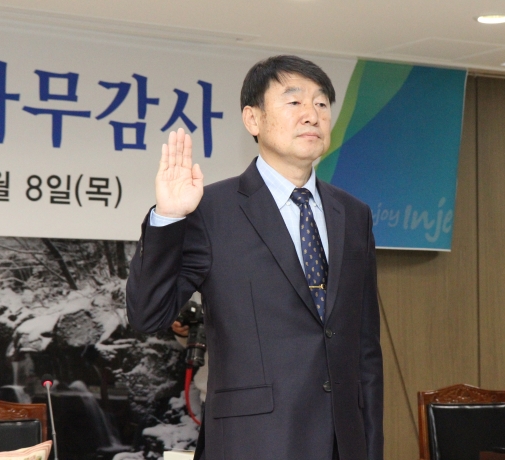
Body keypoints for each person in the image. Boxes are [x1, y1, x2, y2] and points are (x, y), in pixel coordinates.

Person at [126, 55, 383, 460]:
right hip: (252, 442)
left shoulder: (353, 214)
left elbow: (366, 349)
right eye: (294, 102)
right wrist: (169, 217)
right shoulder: (212, 209)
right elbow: (147, 315)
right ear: (253, 119)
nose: (312, 115)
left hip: (342, 443)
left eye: (321, 103)